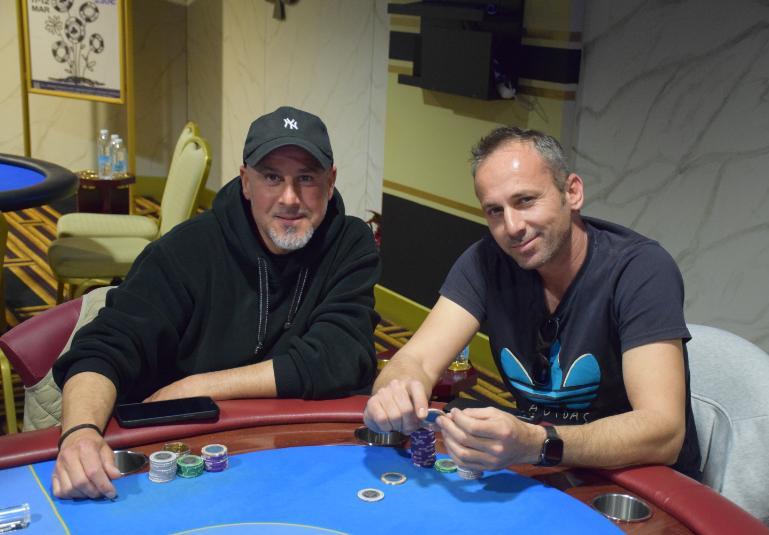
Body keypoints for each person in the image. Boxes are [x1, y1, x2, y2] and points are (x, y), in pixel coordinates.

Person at [52, 106, 381, 499]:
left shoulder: (350, 244)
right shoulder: (184, 250)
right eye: (272, 177)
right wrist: (80, 433)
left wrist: (198, 385)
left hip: (300, 451)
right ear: (245, 182)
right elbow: (102, 349)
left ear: (330, 182)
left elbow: (341, 356)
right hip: (182, 457)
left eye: (306, 178)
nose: (290, 198)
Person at [364, 126, 700, 479]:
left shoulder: (640, 269)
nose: (512, 227)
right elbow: (415, 360)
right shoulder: (485, 261)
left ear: (572, 192)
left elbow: (664, 432)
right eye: (494, 211)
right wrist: (394, 391)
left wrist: (538, 443)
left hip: (640, 479)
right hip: (545, 464)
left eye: (525, 200)